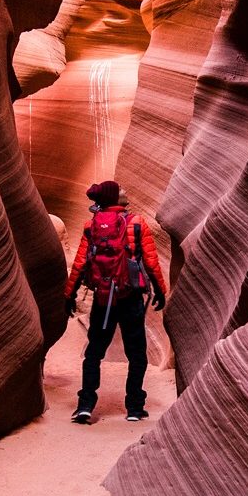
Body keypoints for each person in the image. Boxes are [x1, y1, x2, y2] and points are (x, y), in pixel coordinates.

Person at [62, 180, 167, 423]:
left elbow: (80, 264)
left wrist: (70, 294)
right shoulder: (136, 223)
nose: (125, 191)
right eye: (120, 190)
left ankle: (85, 405)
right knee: (137, 354)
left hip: (102, 298)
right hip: (130, 298)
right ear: (113, 197)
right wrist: (161, 291)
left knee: (94, 353)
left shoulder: (92, 226)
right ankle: (134, 407)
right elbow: (151, 261)